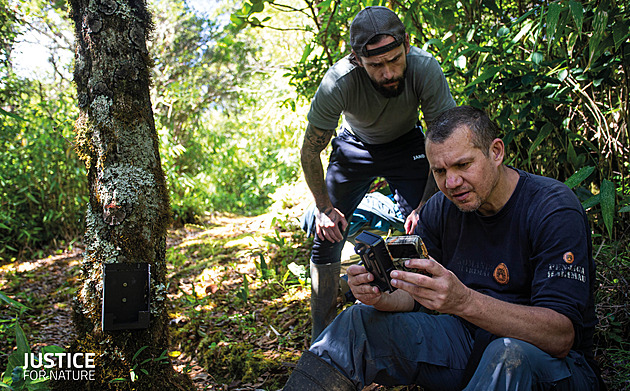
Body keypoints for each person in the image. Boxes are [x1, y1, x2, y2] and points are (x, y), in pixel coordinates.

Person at [284, 105, 603, 390]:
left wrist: (463, 301)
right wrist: (382, 296)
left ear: (496, 152)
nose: (451, 183)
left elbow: (561, 337)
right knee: (356, 322)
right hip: (465, 345)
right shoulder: (440, 208)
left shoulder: (552, 209)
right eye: (440, 171)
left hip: (553, 367)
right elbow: (416, 296)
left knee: (508, 354)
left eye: (463, 165)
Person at [301, 5, 456, 341]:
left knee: (434, 223)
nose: (388, 73)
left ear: (407, 45)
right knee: (325, 238)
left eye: (395, 60)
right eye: (376, 65)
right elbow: (310, 149)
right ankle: (322, 337)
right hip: (355, 147)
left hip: (409, 145)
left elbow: (446, 141)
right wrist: (325, 209)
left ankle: (430, 320)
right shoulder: (338, 82)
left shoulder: (424, 68)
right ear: (358, 60)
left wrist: (424, 204)